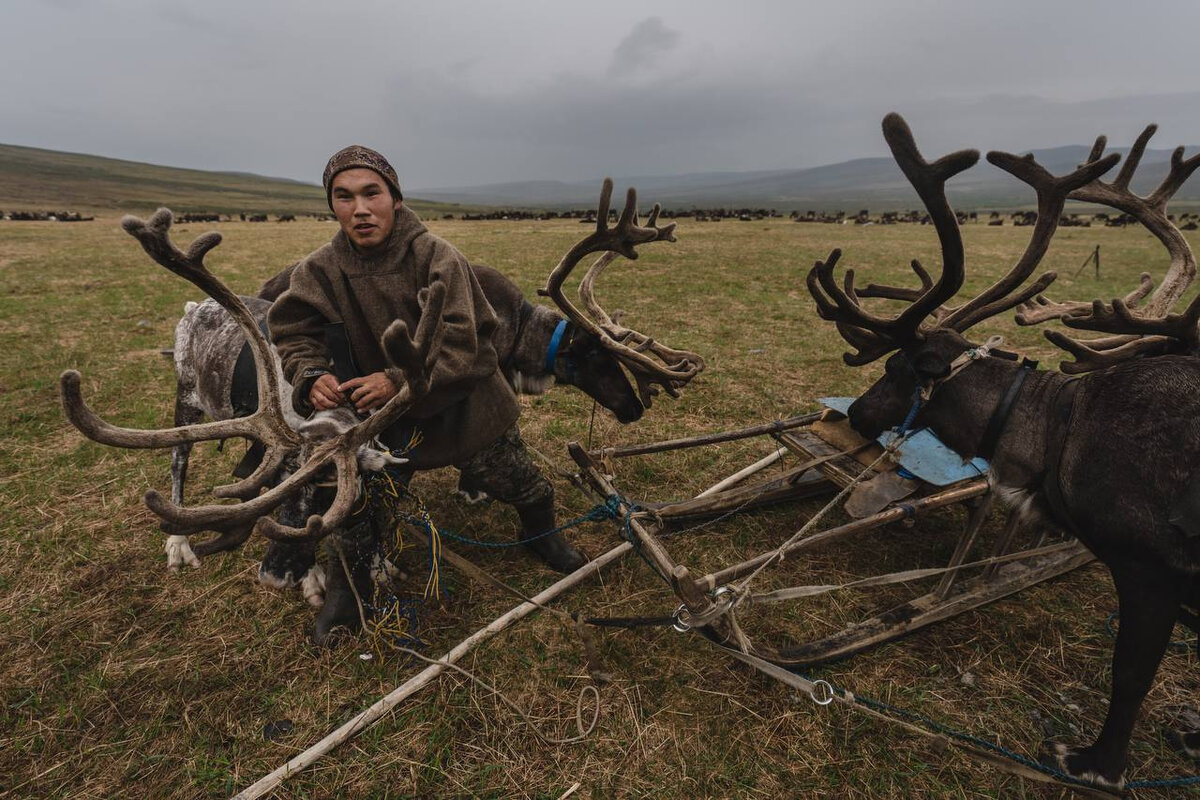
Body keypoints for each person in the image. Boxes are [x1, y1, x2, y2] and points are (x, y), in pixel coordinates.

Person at [268, 145, 587, 643]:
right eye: (344, 197)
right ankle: (349, 590)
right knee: (355, 508)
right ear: (332, 205)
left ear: (395, 198)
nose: (360, 209)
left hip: (464, 407)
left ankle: (540, 534)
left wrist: (396, 379)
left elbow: (469, 343)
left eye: (372, 193)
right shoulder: (319, 271)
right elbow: (292, 331)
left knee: (522, 484)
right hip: (380, 422)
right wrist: (309, 374)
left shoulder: (438, 257)